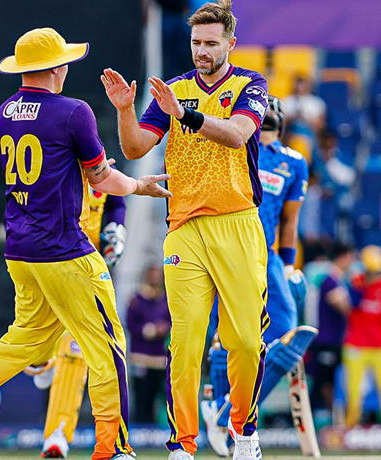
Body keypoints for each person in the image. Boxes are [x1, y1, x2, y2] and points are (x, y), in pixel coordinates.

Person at [0, 27, 171, 460]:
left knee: (25, 341)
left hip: (21, 250)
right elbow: (101, 178)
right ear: (56, 68)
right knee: (107, 346)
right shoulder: (73, 112)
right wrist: (138, 185)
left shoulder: (2, 115)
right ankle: (113, 448)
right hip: (65, 248)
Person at [101, 1, 270, 458]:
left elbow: (237, 135)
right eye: (197, 42)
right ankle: (182, 445)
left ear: (230, 44)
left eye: (211, 43)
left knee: (245, 341)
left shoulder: (249, 84)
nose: (202, 51)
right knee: (186, 340)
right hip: (185, 228)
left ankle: (244, 432)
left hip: (238, 224)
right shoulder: (174, 89)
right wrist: (125, 110)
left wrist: (185, 116)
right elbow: (135, 148)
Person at [201, 95, 314, 457]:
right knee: (226, 333)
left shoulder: (293, 162)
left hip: (266, 254)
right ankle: (219, 403)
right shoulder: (233, 145)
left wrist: (290, 265)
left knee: (285, 328)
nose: (266, 122)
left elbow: (290, 220)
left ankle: (229, 409)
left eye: (270, 117)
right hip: (226, 249)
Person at [24, 189, 127, 459]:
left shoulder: (101, 171)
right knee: (34, 334)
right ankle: (43, 360)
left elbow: (116, 201)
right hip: (47, 260)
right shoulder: (56, 169)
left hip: (86, 267)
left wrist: (116, 230)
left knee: (75, 350)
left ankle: (57, 433)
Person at [343, 245, 381, 428]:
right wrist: (361, 283)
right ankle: (351, 426)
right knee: (354, 391)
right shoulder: (356, 282)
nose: (376, 275)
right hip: (355, 344)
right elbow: (354, 303)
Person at [308, 243, 355, 418]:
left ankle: (331, 416)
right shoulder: (330, 281)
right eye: (351, 258)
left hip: (334, 339)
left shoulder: (338, 280)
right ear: (343, 257)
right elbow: (343, 307)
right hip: (326, 340)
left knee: (330, 380)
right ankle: (309, 417)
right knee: (322, 380)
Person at [125, 264, 171, 424]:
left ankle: (158, 430)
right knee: (142, 398)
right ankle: (141, 430)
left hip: (160, 358)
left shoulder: (166, 300)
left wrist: (164, 328)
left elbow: (172, 321)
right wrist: (147, 330)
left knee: (161, 398)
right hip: (141, 357)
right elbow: (130, 323)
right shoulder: (137, 300)